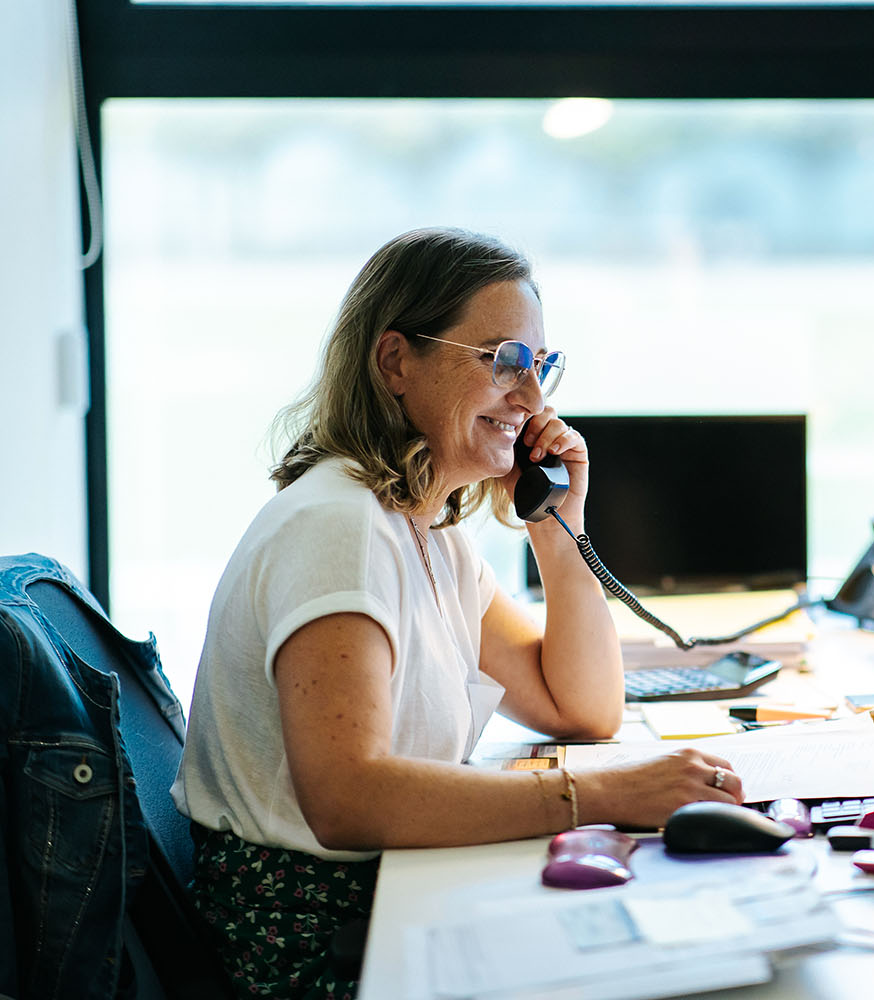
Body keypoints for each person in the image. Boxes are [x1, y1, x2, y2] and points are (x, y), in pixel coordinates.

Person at [170, 227, 743, 999]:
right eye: (505, 360)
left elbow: (583, 708)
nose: (534, 397)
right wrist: (603, 797)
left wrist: (555, 522)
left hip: (393, 894)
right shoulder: (337, 526)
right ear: (396, 362)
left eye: (541, 367)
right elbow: (348, 798)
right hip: (316, 944)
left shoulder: (427, 529)